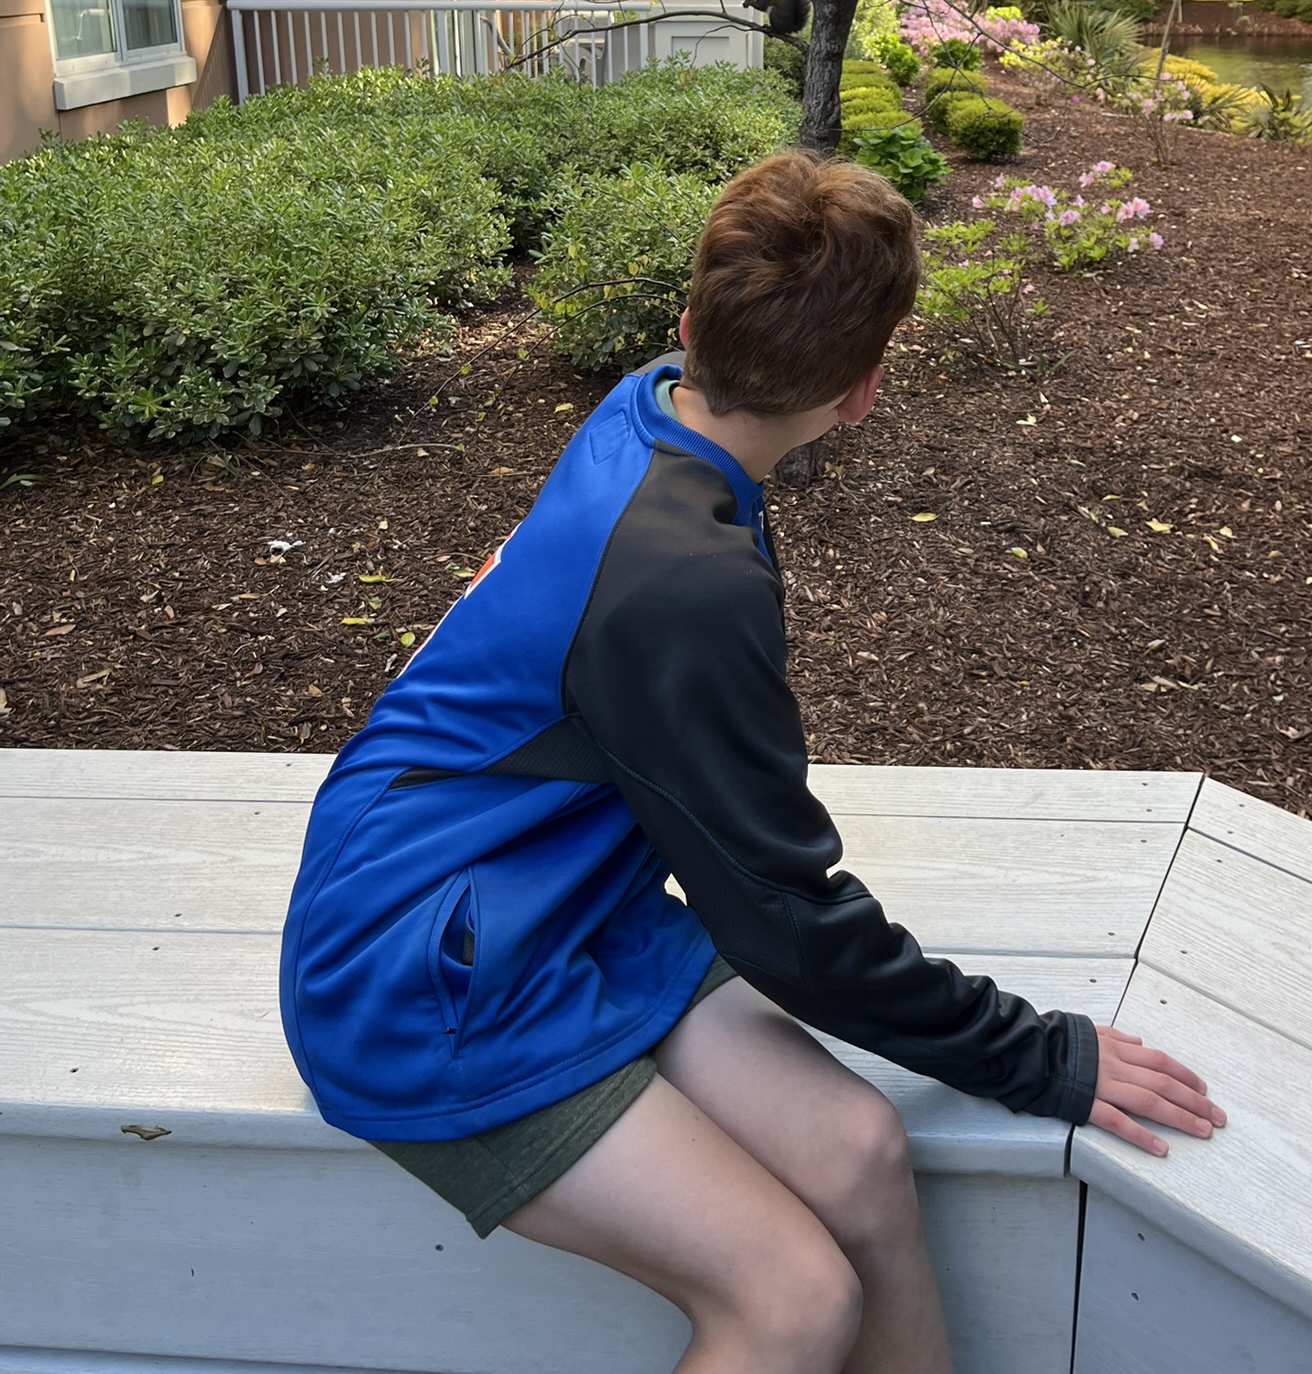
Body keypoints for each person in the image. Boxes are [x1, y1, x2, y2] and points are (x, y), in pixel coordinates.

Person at [280, 150, 1224, 1374]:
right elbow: (788, 921)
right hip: (425, 975)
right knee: (792, 1301)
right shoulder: (679, 582)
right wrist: (1040, 1053)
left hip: (562, 898)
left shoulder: (656, 398)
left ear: (692, 325)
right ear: (864, 392)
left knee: (865, 1154)